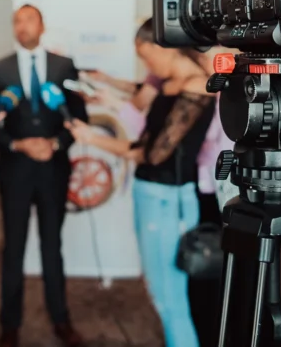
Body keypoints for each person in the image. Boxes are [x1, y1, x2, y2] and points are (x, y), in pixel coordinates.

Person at [66, 19, 212, 347]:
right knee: (160, 292)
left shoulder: (195, 86)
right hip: (150, 194)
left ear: (165, 46)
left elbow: (153, 153)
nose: (147, 65)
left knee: (169, 299)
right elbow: (142, 117)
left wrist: (93, 138)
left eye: (147, 56)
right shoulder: (170, 82)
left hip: (168, 200)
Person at [0, 4, 88, 347]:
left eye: (28, 19)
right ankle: (9, 325)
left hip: (53, 171)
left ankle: (61, 320)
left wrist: (56, 144)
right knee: (13, 248)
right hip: (13, 171)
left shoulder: (63, 66)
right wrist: (17, 145)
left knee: (51, 246)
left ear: (42, 26)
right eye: (16, 21)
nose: (22, 26)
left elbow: (78, 119)